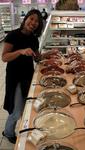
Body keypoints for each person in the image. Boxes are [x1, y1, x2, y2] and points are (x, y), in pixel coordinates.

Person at [2, 9, 43, 144]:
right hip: (15, 78)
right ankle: (8, 132)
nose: (33, 23)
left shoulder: (33, 39)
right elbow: (4, 57)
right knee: (17, 110)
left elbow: (37, 58)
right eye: (31, 19)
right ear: (25, 19)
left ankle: (23, 128)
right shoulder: (13, 35)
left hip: (28, 76)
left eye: (37, 21)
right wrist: (20, 51)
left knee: (27, 107)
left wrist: (49, 54)